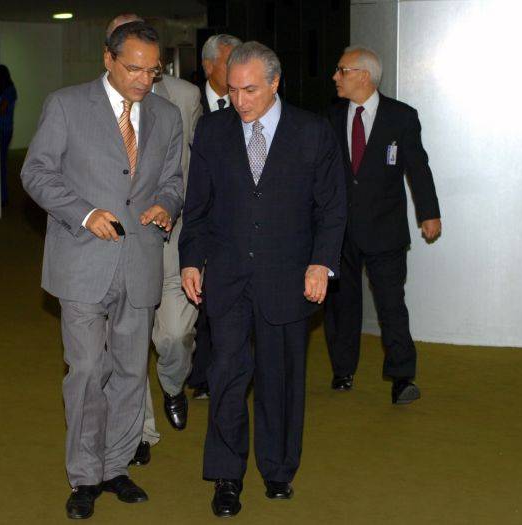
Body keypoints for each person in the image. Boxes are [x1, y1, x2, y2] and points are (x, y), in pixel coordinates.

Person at [20, 21, 184, 520]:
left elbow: (175, 179)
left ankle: (116, 467)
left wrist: (166, 204)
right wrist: (84, 213)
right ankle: (85, 476)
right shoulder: (66, 105)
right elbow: (35, 172)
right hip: (82, 261)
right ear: (108, 59)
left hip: (141, 259)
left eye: (152, 71)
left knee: (132, 371)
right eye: (133, 68)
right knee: (88, 370)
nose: (143, 80)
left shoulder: (167, 115)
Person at [179, 41, 346, 517]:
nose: (240, 100)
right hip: (228, 276)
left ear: (275, 83)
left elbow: (332, 207)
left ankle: (278, 469)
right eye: (232, 90)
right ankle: (226, 476)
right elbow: (198, 206)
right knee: (227, 376)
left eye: (250, 90)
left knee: (281, 379)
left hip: (288, 277)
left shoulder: (311, 132)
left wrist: (321, 262)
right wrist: (191, 259)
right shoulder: (212, 131)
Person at [103, 14, 202, 469]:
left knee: (175, 336)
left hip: (173, 238)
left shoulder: (184, 98)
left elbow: (197, 168)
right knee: (127, 340)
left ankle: (174, 384)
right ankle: (140, 429)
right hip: (121, 246)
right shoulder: (91, 103)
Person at [323, 45, 441, 404]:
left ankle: (402, 378)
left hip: (385, 229)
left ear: (363, 76)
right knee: (341, 305)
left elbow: (418, 167)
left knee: (391, 303)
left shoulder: (401, 117)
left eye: (342, 70)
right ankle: (343, 370)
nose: (335, 77)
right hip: (340, 231)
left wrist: (429, 212)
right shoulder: (330, 117)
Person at [186, 33, 242, 401]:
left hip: (235, 221)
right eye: (229, 62)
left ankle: (216, 372)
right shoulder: (185, 103)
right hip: (194, 214)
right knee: (197, 301)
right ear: (208, 67)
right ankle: (200, 373)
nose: (238, 69)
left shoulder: (249, 103)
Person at [0, 64, 17, 207]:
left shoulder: (10, 90)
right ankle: (1, 195)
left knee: (1, 164)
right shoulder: (4, 89)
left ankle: (3, 196)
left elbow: (2, 109)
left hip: (3, 130)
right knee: (0, 164)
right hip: (2, 130)